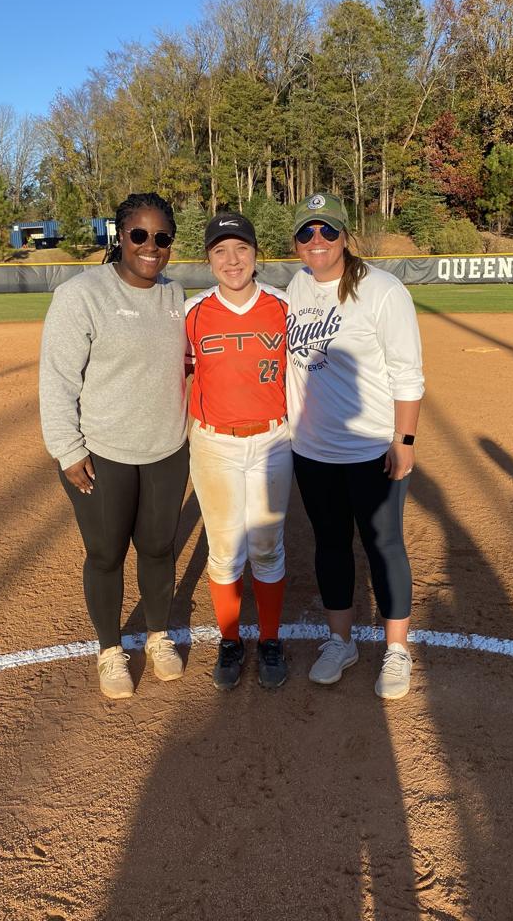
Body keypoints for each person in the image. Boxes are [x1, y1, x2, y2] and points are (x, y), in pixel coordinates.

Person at [39, 193, 189, 700]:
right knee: (105, 554)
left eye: (162, 237)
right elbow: (58, 378)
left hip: (167, 448)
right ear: (120, 237)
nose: (151, 246)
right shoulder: (81, 295)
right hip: (102, 451)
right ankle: (109, 649)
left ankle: (159, 636)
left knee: (158, 547)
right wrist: (68, 449)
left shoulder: (174, 295)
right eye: (139, 235)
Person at [285, 193, 424, 699]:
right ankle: (340, 641)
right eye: (306, 232)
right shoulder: (296, 288)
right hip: (312, 451)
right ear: (296, 243)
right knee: (330, 545)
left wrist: (404, 440)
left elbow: (407, 372)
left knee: (384, 546)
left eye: (327, 230)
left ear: (345, 236)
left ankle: (396, 650)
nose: (317, 240)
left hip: (371, 449)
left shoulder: (383, 291)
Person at [185, 212, 291, 691]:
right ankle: (230, 640)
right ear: (208, 260)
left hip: (273, 440)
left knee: (267, 546)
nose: (232, 260)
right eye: (220, 251)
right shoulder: (192, 312)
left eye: (241, 249)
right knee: (225, 549)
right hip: (215, 443)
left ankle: (269, 639)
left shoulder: (283, 307)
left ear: (255, 254)